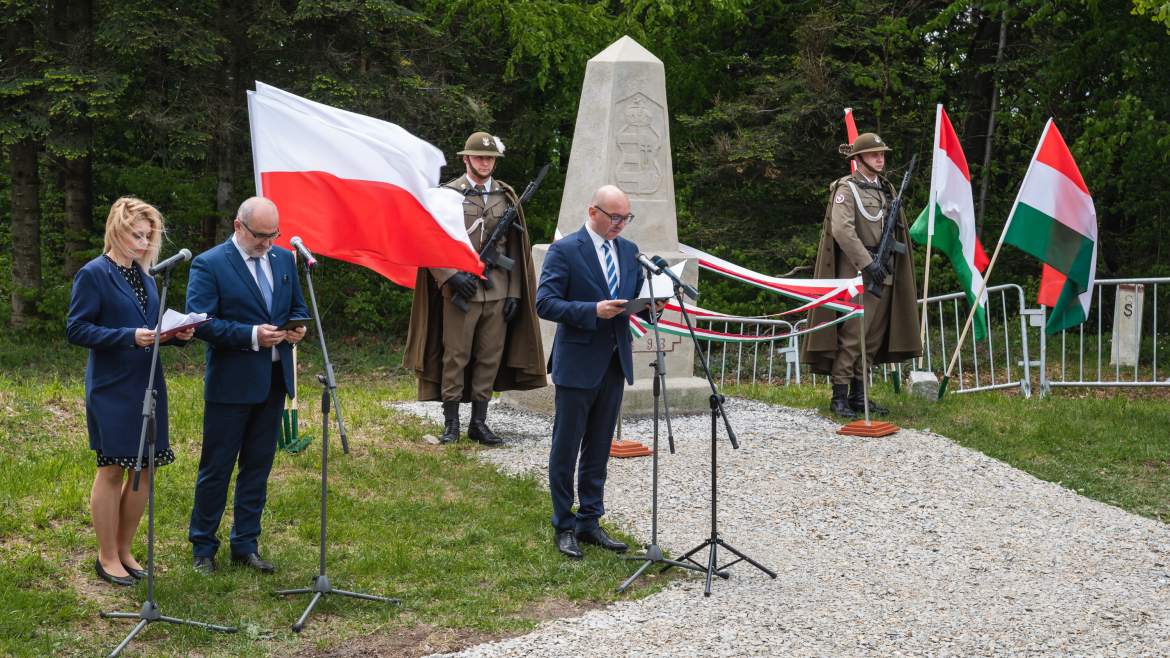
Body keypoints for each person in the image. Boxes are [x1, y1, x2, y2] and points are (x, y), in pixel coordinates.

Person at [66, 197, 196, 586]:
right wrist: (128, 337)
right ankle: (105, 556)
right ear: (116, 231)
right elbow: (77, 329)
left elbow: (148, 328)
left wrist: (175, 336)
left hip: (148, 382)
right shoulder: (93, 274)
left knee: (144, 470)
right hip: (111, 385)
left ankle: (125, 549)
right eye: (135, 235)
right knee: (112, 469)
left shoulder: (145, 276)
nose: (142, 243)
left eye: (147, 236)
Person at [185, 196, 309, 574]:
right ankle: (203, 547)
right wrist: (252, 334)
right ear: (239, 226)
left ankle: (246, 543)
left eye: (274, 234)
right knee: (217, 468)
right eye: (260, 235)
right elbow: (201, 323)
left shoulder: (285, 259)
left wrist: (298, 326)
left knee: (257, 467)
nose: (268, 242)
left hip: (273, 381)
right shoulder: (210, 264)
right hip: (231, 382)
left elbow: (296, 306)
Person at [403, 131, 546, 445]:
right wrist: (452, 276)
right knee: (456, 356)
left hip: (496, 290)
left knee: (489, 357)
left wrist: (514, 293)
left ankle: (478, 423)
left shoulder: (505, 196)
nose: (485, 162)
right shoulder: (446, 195)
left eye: (490, 158)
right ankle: (451, 423)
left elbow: (512, 251)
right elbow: (431, 241)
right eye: (480, 157)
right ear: (466, 159)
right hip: (459, 292)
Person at [535, 184, 650, 559]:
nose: (620, 224)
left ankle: (590, 519)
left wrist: (652, 306)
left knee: (599, 445)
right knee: (566, 445)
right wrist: (591, 310)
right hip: (577, 361)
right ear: (593, 212)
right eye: (614, 217)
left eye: (625, 218)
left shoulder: (630, 251)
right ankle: (562, 524)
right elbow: (546, 303)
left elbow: (634, 298)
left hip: (615, 361)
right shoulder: (566, 250)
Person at [800, 132, 921, 417]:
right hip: (858, 272)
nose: (880, 158)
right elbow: (842, 230)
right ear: (859, 159)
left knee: (872, 338)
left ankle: (860, 395)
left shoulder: (886, 188)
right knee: (854, 336)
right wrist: (868, 264)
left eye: (882, 154)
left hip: (884, 270)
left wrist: (882, 266)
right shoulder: (847, 189)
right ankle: (840, 395)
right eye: (874, 154)